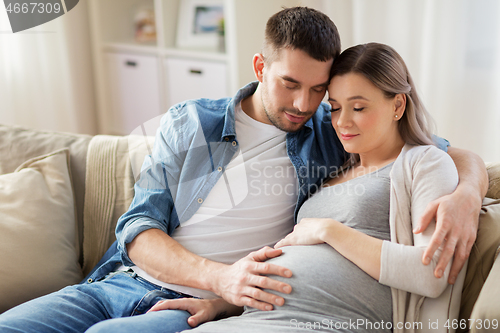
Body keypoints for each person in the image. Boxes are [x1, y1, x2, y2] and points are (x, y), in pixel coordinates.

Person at [0, 7, 487, 333]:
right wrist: (222, 281)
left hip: (192, 309)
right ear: (260, 66)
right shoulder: (193, 122)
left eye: (319, 90)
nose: (303, 103)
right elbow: (138, 228)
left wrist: (467, 193)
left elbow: (434, 149)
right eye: (289, 83)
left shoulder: (333, 128)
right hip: (122, 281)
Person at [148, 42, 473, 333]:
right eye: (334, 108)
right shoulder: (334, 168)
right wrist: (220, 304)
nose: (342, 122)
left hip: (322, 322)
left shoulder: (423, 162)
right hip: (251, 316)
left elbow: (432, 274)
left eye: (358, 108)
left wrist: (329, 230)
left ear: (398, 106)